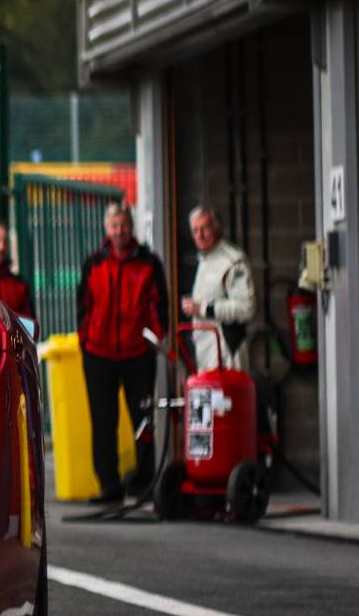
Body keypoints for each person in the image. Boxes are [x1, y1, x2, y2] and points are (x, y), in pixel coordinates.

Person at [77, 203, 164, 502]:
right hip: (98, 355)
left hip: (138, 355)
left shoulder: (149, 263)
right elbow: (84, 306)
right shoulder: (94, 263)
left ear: (132, 227)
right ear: (106, 228)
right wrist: (85, 342)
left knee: (143, 422)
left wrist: (155, 341)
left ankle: (143, 483)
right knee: (103, 423)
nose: (119, 231)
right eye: (114, 225)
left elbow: (160, 307)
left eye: (124, 225)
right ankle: (109, 487)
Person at [179, 205, 257, 371]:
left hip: (227, 355)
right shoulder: (202, 259)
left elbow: (246, 309)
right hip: (205, 355)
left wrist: (203, 308)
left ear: (217, 228)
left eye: (204, 228)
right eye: (195, 230)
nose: (199, 235)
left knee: (228, 397)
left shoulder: (233, 260)